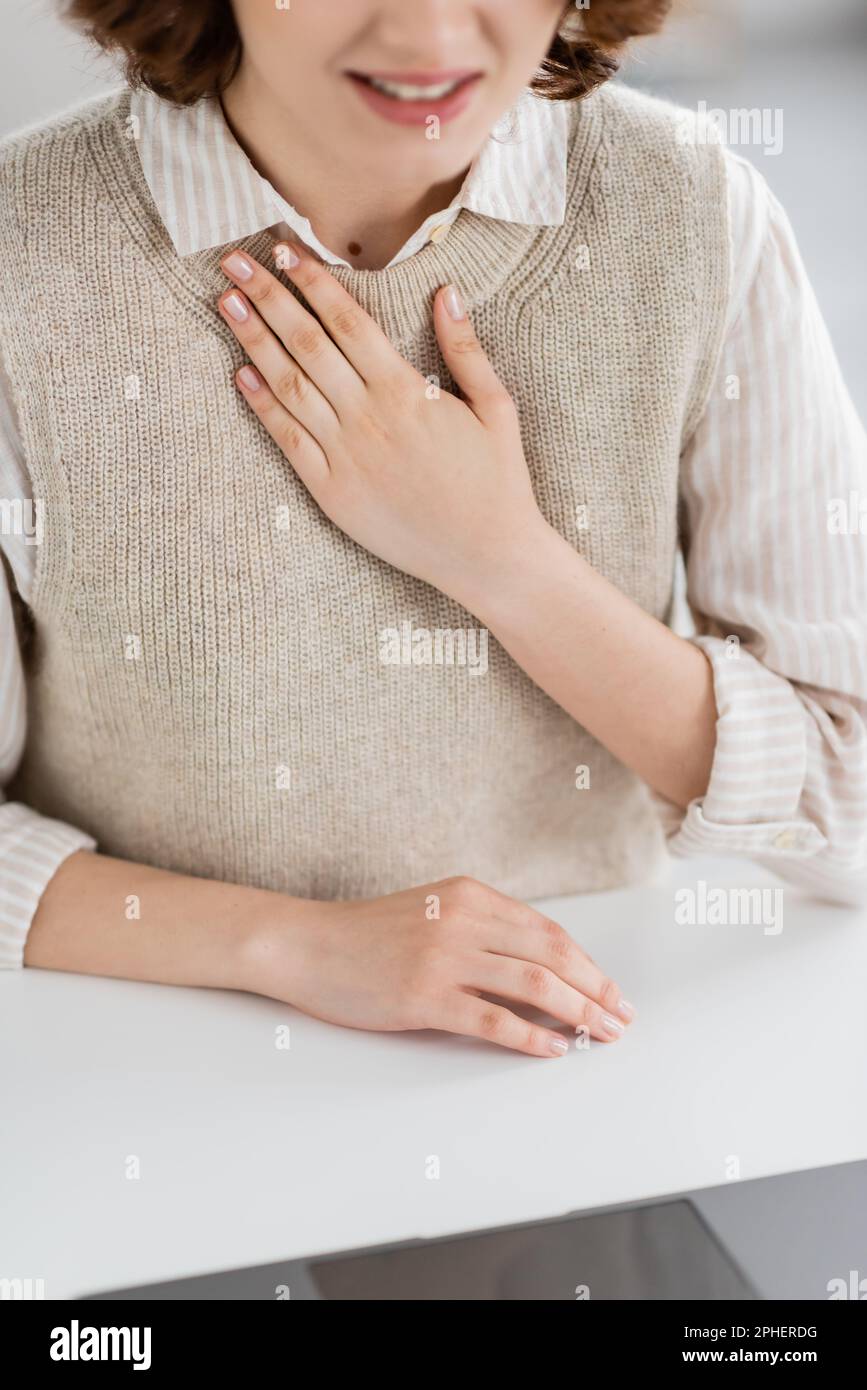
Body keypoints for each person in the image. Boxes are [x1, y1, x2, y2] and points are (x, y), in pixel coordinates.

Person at [0, 0, 865, 1057]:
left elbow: (850, 809)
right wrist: (296, 946)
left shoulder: (695, 211)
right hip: (149, 1087)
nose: (430, 31)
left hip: (587, 1077)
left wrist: (503, 562)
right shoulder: (22, 261)